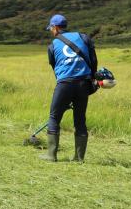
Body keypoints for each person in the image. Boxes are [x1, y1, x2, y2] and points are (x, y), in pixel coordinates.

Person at [40, 14, 97, 162]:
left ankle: (51, 156)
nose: (51, 31)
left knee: (54, 118)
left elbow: (55, 68)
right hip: (83, 83)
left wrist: (64, 96)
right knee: (80, 120)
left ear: (56, 27)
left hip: (65, 84)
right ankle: (79, 158)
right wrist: (91, 81)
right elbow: (93, 61)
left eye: (51, 28)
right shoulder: (84, 38)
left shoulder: (52, 45)